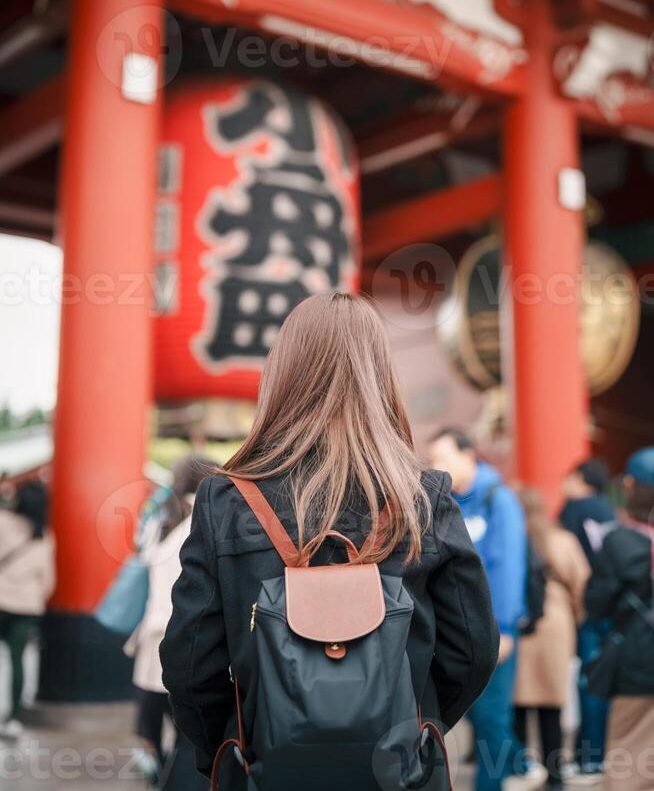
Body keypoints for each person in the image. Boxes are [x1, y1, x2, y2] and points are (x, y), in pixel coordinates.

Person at [161, 292, 499, 790]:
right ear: (380, 376)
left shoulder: (226, 501)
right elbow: (473, 649)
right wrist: (412, 724)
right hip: (399, 775)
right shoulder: (425, 498)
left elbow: (190, 663)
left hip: (262, 771)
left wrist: (237, 739)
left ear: (283, 372)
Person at [428, 428, 539, 791]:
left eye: (443, 458)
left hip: (494, 628)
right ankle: (522, 763)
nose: (436, 466)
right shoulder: (448, 502)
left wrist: (505, 628)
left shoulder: (498, 499)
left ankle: (497, 781)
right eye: (432, 460)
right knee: (474, 712)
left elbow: (509, 566)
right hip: (460, 630)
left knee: (491, 716)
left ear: (469, 454)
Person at [126, 455, 212, 788]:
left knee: (151, 721)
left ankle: (159, 775)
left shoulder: (161, 519)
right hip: (188, 639)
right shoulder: (208, 518)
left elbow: (143, 560)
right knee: (188, 733)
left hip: (152, 634)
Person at [584, 448, 654, 791]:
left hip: (638, 662)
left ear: (630, 486)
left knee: (629, 760)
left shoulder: (618, 541)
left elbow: (596, 604)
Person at [513, 488, 591, 789]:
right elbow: (582, 583)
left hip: (522, 624)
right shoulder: (562, 540)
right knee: (551, 703)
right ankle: (555, 772)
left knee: (518, 701)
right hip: (556, 622)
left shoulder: (513, 541)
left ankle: (520, 766)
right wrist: (576, 615)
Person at [559, 458, 615, 779]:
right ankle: (596, 753)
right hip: (610, 606)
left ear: (580, 478)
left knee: (587, 681)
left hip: (586, 608)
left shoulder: (574, 509)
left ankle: (588, 756)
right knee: (601, 678)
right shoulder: (607, 510)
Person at [0, 480, 55, 738]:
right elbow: (48, 580)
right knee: (17, 660)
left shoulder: (3, 522)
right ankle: (13, 719)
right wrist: (33, 598)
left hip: (1, 600)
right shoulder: (44, 535)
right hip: (28, 605)